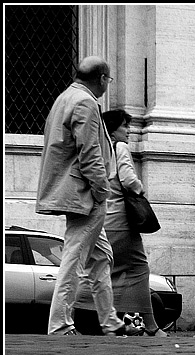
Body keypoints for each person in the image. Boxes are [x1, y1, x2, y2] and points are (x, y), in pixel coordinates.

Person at [35, 56, 126, 337]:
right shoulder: (85, 102)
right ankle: (61, 324)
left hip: (75, 191)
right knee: (74, 258)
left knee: (101, 257)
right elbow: (90, 153)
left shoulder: (65, 97)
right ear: (101, 78)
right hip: (85, 194)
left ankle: (111, 322)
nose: (106, 86)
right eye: (107, 81)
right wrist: (101, 190)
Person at [73, 109, 167, 337]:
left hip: (104, 220)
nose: (128, 131)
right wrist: (140, 187)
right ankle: (151, 327)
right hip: (123, 222)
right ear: (113, 130)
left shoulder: (98, 150)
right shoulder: (120, 148)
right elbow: (127, 179)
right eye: (125, 126)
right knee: (138, 268)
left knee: (101, 268)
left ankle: (81, 316)